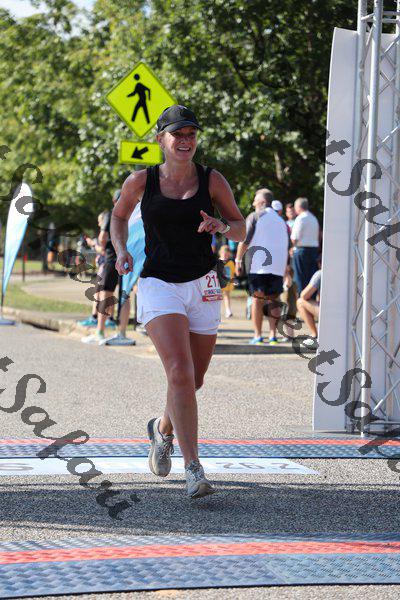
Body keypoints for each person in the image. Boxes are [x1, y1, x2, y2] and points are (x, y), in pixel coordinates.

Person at [111, 104, 245, 498]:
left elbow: (240, 228)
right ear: (161, 140)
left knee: (192, 380)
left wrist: (222, 225)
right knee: (180, 373)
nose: (185, 141)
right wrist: (121, 249)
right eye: (177, 134)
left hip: (203, 284)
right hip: (158, 283)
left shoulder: (212, 179)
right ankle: (194, 469)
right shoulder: (142, 180)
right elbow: (118, 217)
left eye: (191, 134)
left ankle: (161, 429)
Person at [235, 189, 289, 345]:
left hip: (259, 265)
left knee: (257, 300)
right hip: (277, 266)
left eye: (255, 200)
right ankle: (273, 336)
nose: (253, 203)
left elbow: (244, 240)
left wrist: (238, 260)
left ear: (263, 202)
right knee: (273, 300)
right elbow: (287, 245)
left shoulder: (255, 216)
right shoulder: (281, 221)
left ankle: (258, 336)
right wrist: (285, 268)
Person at [81, 191, 133, 345]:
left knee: (105, 293)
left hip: (112, 258)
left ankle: (100, 331)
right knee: (125, 294)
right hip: (130, 257)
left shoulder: (112, 214)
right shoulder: (135, 214)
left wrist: (102, 248)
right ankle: (122, 333)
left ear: (114, 201)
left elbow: (103, 237)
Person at [291, 197, 319, 294]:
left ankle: (301, 299)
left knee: (300, 280)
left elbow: (294, 237)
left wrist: (291, 248)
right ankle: (310, 299)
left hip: (301, 251)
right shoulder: (313, 218)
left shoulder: (300, 218)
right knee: (311, 280)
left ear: (298, 207)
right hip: (313, 251)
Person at [296, 269, 321, 347]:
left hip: (327, 313)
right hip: (348, 313)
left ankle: (314, 335)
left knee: (300, 302)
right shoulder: (349, 272)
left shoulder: (320, 274)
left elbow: (304, 295)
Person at [219, 245, 235, 318]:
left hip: (227, 283)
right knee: (217, 298)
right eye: (224, 254)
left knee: (226, 296)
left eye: (227, 255)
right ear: (220, 253)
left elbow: (232, 273)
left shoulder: (231, 263)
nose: (225, 256)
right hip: (218, 283)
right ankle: (217, 311)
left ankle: (228, 311)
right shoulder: (217, 262)